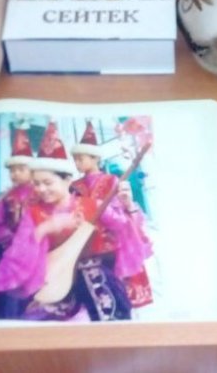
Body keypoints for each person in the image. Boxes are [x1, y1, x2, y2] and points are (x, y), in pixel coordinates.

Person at [0, 121, 151, 321]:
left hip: (98, 281)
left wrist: (129, 205)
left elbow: (126, 228)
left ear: (67, 180)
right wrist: (44, 229)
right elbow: (20, 251)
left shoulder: (93, 205)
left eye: (48, 183)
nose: (41, 189)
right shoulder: (34, 213)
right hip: (54, 284)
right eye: (36, 184)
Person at [70, 120, 154, 308]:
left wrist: (97, 207)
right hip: (86, 242)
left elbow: (119, 212)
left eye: (81, 158)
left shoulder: (110, 180)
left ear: (95, 158)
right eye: (75, 159)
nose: (77, 163)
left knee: (116, 287)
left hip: (111, 241)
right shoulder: (74, 186)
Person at [0, 120, 38, 318]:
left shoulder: (39, 193)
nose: (15, 174)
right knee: (9, 300)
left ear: (31, 170)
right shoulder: (5, 197)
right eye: (12, 170)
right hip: (9, 252)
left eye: (21, 169)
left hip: (36, 252)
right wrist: (9, 239)